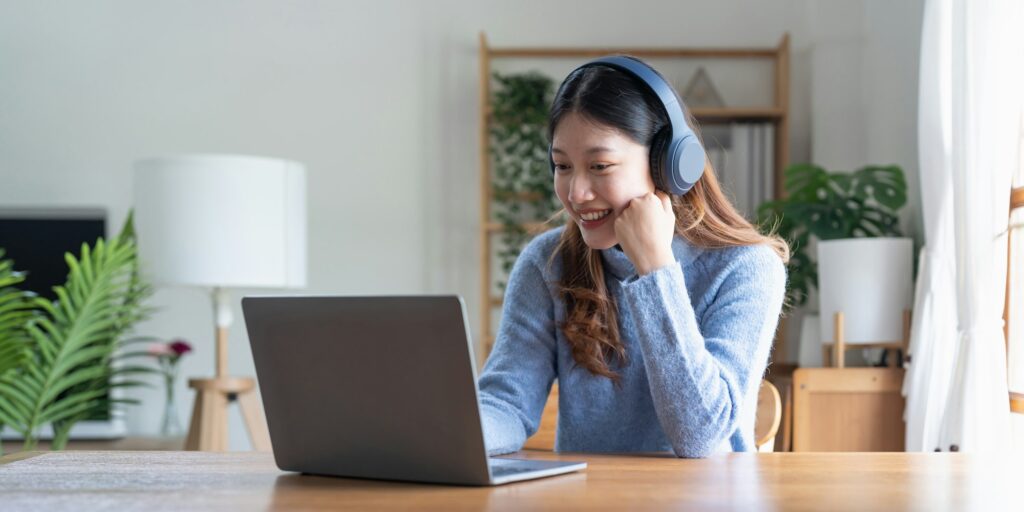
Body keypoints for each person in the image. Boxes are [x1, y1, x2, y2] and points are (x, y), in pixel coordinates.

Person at [477, 56, 790, 458]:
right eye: (562, 166)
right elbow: (505, 403)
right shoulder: (547, 262)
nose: (575, 192)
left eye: (600, 166)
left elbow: (700, 437)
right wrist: (444, 437)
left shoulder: (746, 269)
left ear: (667, 164)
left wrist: (656, 269)